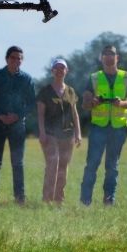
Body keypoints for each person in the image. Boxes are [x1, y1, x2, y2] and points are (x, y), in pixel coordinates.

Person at [80, 44, 127, 206]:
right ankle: (85, 202)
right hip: (98, 128)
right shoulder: (94, 78)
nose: (108, 56)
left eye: (111, 53)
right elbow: (84, 104)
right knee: (92, 164)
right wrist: (93, 102)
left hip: (118, 129)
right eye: (105, 54)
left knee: (112, 166)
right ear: (101, 58)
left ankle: (108, 201)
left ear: (117, 57)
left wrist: (121, 103)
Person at [0, 45, 36, 205]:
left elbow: (32, 103)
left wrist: (18, 116)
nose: (16, 61)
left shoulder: (27, 79)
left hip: (18, 127)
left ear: (22, 60)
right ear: (7, 59)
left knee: (17, 163)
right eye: (13, 57)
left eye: (19, 58)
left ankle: (20, 198)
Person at [36, 58, 82, 204]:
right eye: (57, 68)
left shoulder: (70, 91)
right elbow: (40, 114)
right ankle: (47, 199)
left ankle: (59, 200)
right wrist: (42, 133)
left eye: (62, 68)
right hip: (50, 134)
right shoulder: (45, 91)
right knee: (53, 163)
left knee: (63, 166)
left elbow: (75, 114)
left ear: (66, 71)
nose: (60, 71)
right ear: (52, 71)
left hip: (67, 135)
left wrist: (78, 133)